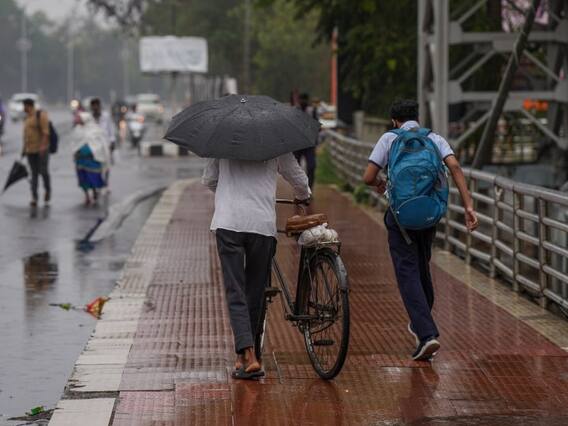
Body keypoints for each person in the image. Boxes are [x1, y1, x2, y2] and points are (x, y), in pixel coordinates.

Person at [362, 99, 478, 361]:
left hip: (400, 217)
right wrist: (469, 206)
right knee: (422, 266)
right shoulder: (434, 138)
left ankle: (426, 334)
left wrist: (380, 183)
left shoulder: (389, 139)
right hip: (428, 214)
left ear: (394, 120)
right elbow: (455, 167)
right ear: (417, 116)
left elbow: (367, 177)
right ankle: (420, 324)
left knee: (407, 272)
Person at [202, 154, 311, 379]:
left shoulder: (222, 142)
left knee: (235, 290)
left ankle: (248, 354)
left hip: (229, 222)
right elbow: (297, 177)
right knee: (255, 290)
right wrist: (303, 195)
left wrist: (227, 194)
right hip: (261, 225)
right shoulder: (276, 143)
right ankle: (246, 355)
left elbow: (210, 179)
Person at [71, 112, 111, 205]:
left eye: (79, 118)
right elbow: (74, 143)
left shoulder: (95, 130)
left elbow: (101, 144)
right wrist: (75, 152)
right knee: (83, 178)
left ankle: (94, 192)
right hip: (81, 159)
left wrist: (95, 152)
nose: (77, 119)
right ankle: (87, 196)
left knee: (93, 177)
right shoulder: (77, 130)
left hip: (93, 159)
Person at [22, 98, 51, 207]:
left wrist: (43, 147)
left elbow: (46, 133)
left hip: (41, 150)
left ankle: (47, 190)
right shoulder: (27, 118)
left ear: (29, 106)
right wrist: (24, 149)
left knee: (43, 172)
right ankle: (34, 197)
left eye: (24, 106)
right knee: (34, 174)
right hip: (30, 150)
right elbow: (26, 135)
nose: (23, 108)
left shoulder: (40, 115)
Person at [294, 93, 317, 189]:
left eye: (305, 100)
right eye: (302, 100)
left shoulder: (312, 111)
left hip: (309, 144)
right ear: (299, 101)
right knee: (295, 168)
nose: (303, 102)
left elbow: (317, 126)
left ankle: (309, 189)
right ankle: (299, 188)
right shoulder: (294, 111)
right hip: (297, 144)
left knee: (311, 166)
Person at [90, 98, 116, 176]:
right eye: (93, 106)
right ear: (91, 108)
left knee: (106, 165)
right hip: (93, 145)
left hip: (105, 144)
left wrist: (112, 141)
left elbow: (111, 129)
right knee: (95, 165)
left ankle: (105, 181)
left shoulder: (106, 116)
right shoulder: (89, 118)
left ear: (99, 106)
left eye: (97, 106)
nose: (95, 108)